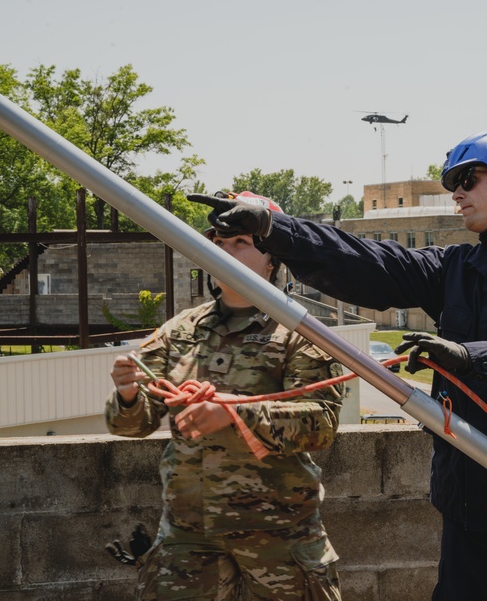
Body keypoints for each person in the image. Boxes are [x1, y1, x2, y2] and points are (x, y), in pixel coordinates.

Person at [189, 130, 487, 600]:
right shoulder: (455, 268)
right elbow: (371, 263)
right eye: (452, 183)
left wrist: (472, 357)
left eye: (467, 180)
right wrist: (277, 228)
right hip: (468, 512)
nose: (455, 193)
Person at [105, 192, 345, 601]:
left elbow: (321, 424)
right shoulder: (180, 330)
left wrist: (234, 416)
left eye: (241, 244)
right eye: (218, 243)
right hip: (188, 533)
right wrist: (128, 394)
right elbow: (132, 425)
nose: (226, 253)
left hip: (278, 533)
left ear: (272, 259)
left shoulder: (298, 332)